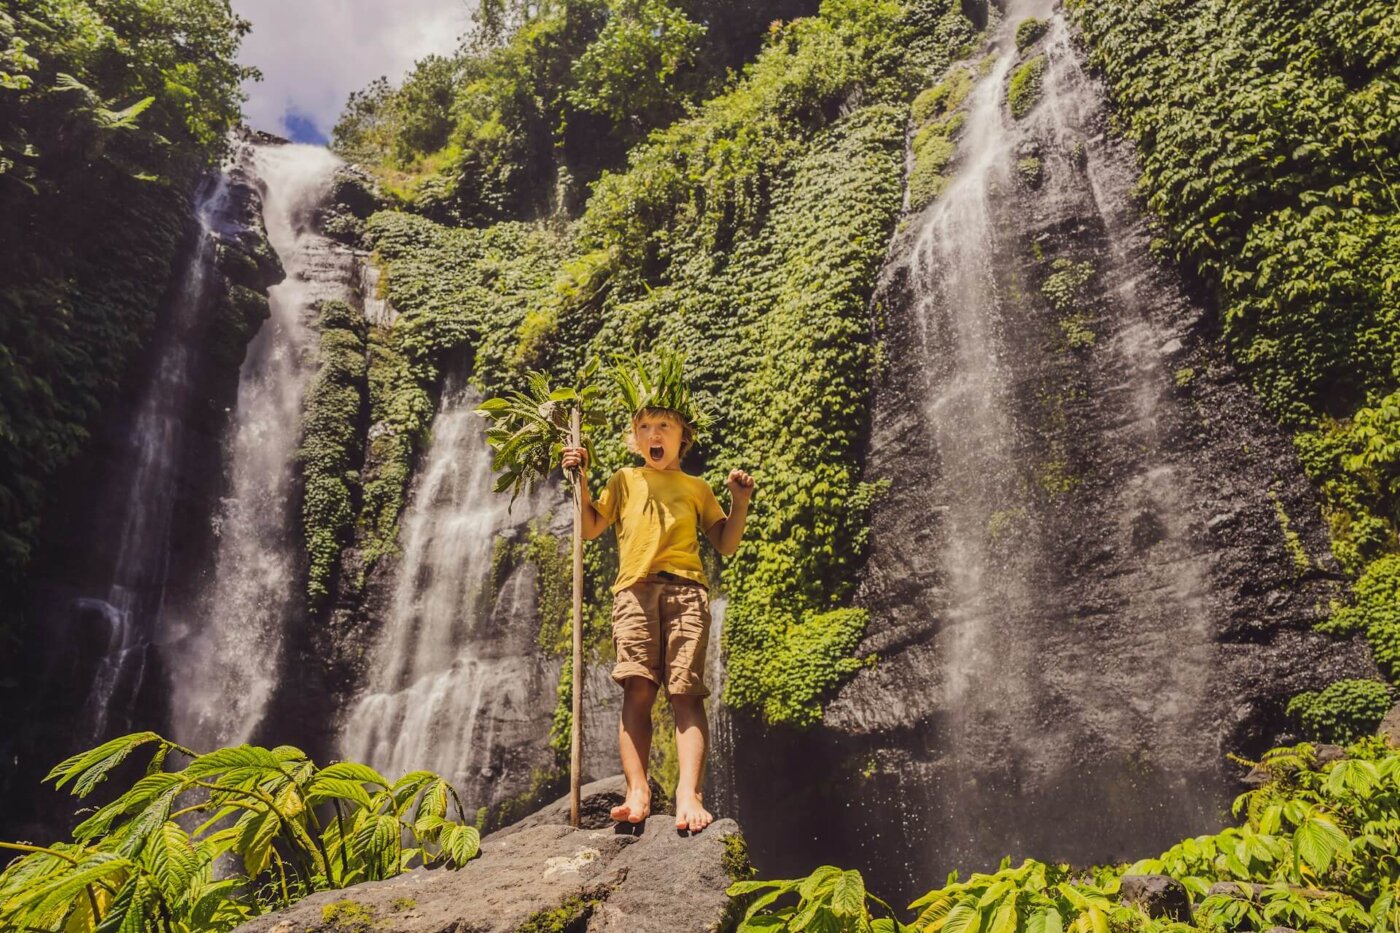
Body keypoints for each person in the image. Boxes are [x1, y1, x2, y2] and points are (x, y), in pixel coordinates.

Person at [561, 404, 754, 833]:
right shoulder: (624, 480)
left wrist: (739, 502)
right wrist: (582, 477)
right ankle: (637, 791)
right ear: (635, 438)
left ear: (682, 436)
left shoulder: (697, 487)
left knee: (685, 693)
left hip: (687, 591)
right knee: (638, 688)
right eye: (644, 427)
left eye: (663, 426)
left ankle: (690, 794)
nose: (654, 433)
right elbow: (590, 526)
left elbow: (725, 543)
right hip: (634, 590)